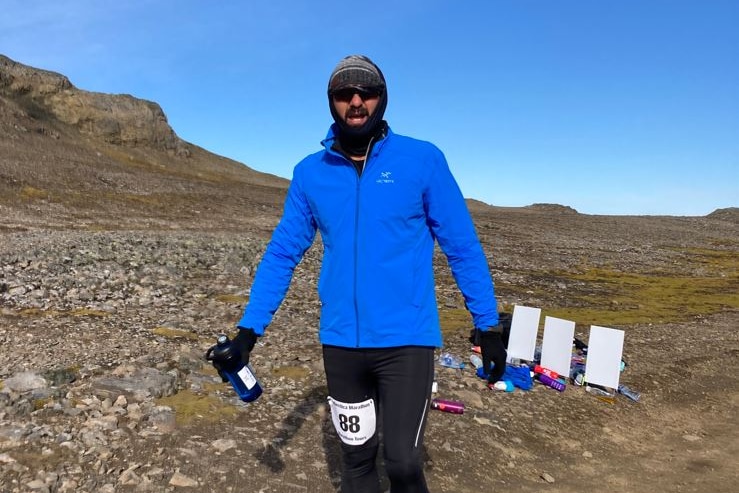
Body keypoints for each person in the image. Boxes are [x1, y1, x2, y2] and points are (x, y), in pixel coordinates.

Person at [223, 54, 506, 493]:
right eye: (344, 93)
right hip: (341, 343)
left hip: (406, 340)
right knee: (355, 462)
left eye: (367, 91)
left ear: (383, 97)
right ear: (331, 102)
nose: (356, 101)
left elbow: (462, 246)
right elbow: (282, 253)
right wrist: (248, 332)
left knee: (404, 462)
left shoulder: (422, 160)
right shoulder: (310, 173)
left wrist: (487, 325)